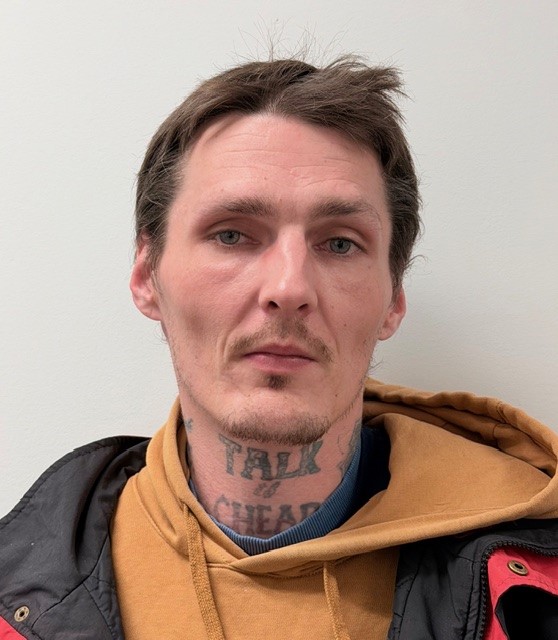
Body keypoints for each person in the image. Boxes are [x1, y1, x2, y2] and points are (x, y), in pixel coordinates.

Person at [1, 56, 558, 640]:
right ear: (147, 275)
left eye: (339, 244)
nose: (289, 288)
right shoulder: (19, 584)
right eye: (232, 235)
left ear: (393, 298)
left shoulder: (534, 592)